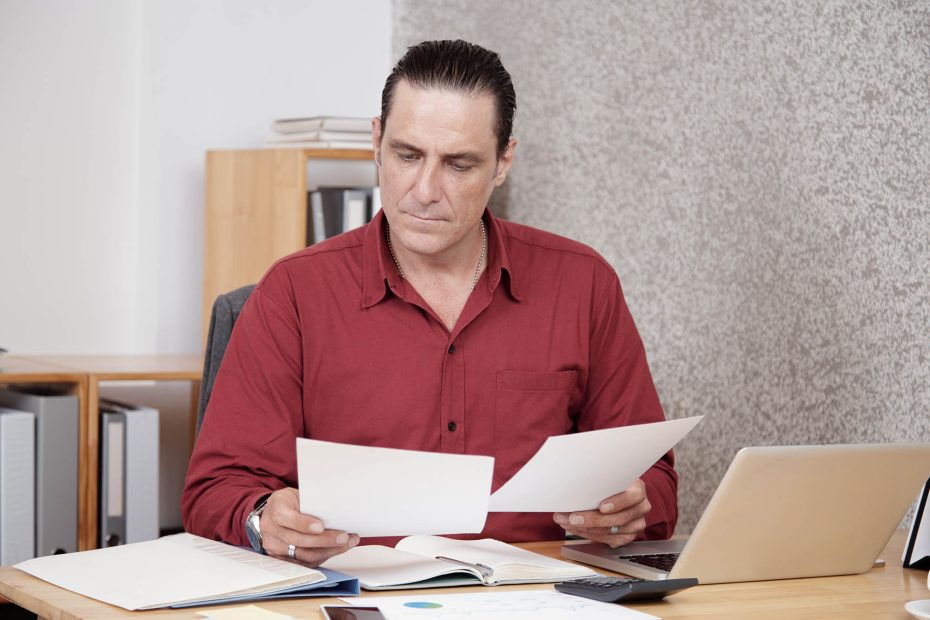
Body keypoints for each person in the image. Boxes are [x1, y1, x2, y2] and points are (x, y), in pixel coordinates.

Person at [182, 39, 677, 568]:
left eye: (459, 165)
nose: (424, 189)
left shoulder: (583, 284)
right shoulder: (294, 293)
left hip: (534, 597)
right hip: (353, 596)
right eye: (407, 155)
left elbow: (657, 484)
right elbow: (214, 490)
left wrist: (630, 506)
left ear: (503, 162)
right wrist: (263, 517)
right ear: (377, 141)